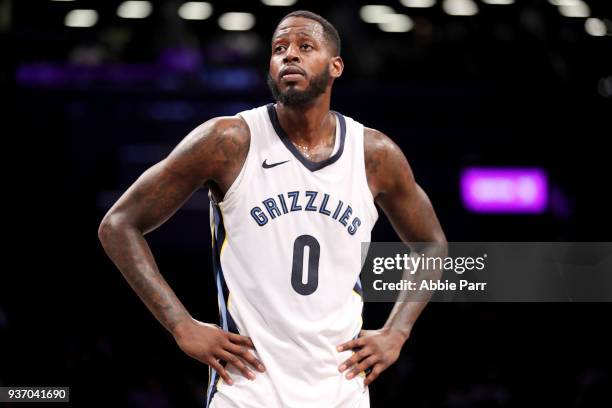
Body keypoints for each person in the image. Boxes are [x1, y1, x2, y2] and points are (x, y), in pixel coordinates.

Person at [98, 10, 446, 408]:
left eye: (304, 46)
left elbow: (431, 244)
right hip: (247, 391)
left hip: (341, 391)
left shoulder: (373, 154)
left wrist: (396, 332)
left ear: (336, 66)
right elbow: (118, 224)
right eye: (279, 48)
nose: (289, 56)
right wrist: (181, 325)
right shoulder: (228, 141)